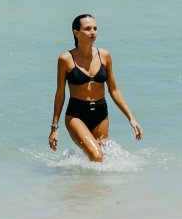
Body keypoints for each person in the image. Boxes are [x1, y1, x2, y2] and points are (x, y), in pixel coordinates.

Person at [47, 13, 142, 162]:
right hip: (76, 114)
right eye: (88, 29)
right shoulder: (65, 59)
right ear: (76, 33)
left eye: (95, 28)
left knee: (100, 158)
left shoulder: (104, 56)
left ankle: (91, 185)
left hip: (100, 113)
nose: (93, 32)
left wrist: (131, 118)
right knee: (97, 155)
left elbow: (114, 90)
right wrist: (54, 127)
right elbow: (60, 94)